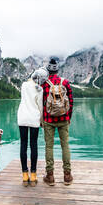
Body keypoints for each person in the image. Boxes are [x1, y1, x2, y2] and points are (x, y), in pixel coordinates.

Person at [42, 56, 74, 186]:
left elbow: (41, 103)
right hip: (64, 118)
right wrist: (68, 117)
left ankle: (50, 176)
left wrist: (42, 119)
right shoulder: (65, 82)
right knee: (65, 146)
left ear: (48, 70)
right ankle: (67, 175)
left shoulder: (44, 83)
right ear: (57, 70)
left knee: (49, 146)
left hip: (48, 119)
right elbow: (71, 102)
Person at [17, 67, 48, 187]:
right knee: (33, 145)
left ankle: (25, 175)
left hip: (22, 117)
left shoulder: (24, 85)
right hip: (34, 118)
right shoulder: (39, 89)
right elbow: (40, 106)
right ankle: (33, 175)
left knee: (23, 144)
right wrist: (42, 121)